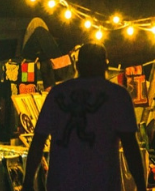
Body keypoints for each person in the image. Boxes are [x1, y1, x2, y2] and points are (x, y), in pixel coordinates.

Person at [23, 42, 145, 191]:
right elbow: (130, 146)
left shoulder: (58, 93)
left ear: (77, 66)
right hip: (103, 183)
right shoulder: (118, 95)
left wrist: (28, 182)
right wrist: (141, 185)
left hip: (62, 182)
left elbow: (38, 141)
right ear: (105, 66)